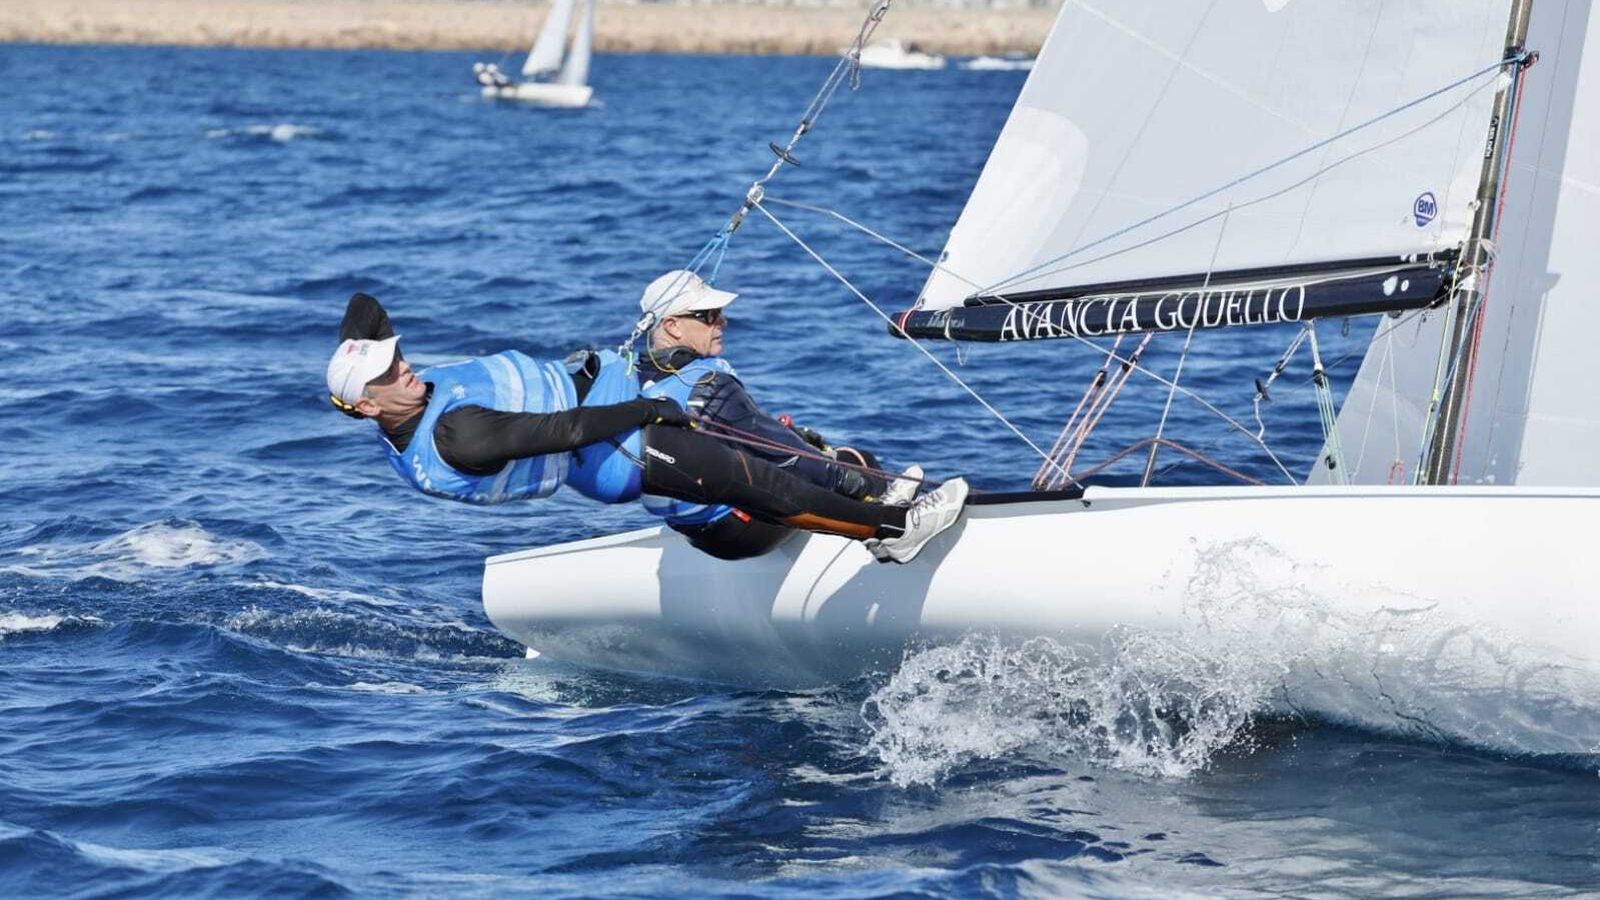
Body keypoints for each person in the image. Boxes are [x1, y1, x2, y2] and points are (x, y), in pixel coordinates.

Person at [326, 292, 968, 563]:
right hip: (618, 452)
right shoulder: (455, 438)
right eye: (386, 375)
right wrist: (644, 410)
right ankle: (892, 530)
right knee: (757, 484)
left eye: (397, 357)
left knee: (732, 413)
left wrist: (359, 341)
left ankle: (859, 480)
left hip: (607, 408)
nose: (404, 369)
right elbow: (565, 431)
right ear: (366, 408)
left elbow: (366, 314)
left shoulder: (401, 393)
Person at [635, 269, 922, 560]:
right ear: (672, 326)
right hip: (739, 532)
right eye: (709, 315)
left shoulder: (634, 377)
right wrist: (856, 484)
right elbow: (788, 456)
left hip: (689, 527)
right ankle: (893, 531)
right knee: (856, 461)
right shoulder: (708, 384)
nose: (722, 321)